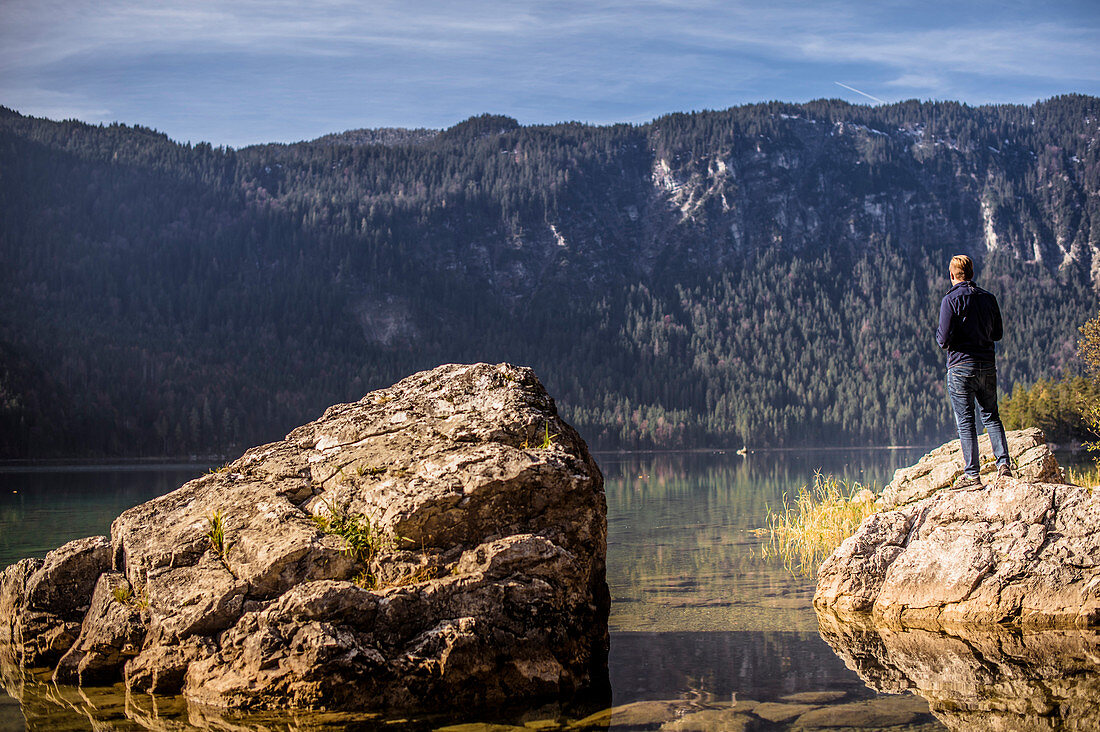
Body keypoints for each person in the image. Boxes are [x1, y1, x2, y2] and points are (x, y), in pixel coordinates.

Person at [935, 254, 1012, 487]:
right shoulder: (989, 298)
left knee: (966, 421)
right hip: (987, 365)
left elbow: (943, 340)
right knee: (991, 415)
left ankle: (972, 476)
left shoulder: (950, 300)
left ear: (952, 275)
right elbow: (997, 334)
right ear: (972, 274)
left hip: (960, 367)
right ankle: (1004, 465)